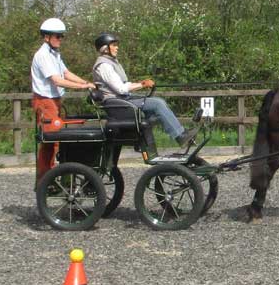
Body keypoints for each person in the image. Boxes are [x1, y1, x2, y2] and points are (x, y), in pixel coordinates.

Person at [91, 32, 198, 147]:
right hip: (117, 104)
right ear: (105, 48)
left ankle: (144, 140)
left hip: (122, 101)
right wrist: (142, 84)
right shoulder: (104, 66)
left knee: (156, 105)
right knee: (157, 104)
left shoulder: (111, 63)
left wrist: (142, 83)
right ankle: (180, 136)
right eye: (113, 45)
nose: (117, 47)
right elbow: (121, 89)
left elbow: (124, 84)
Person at [31, 18, 96, 183]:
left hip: (54, 101)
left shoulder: (54, 55)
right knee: (49, 143)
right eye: (57, 36)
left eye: (61, 36)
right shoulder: (43, 55)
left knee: (56, 142)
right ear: (47, 37)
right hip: (45, 102)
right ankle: (45, 181)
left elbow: (66, 73)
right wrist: (81, 87)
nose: (60, 39)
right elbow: (57, 80)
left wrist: (86, 82)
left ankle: (51, 178)